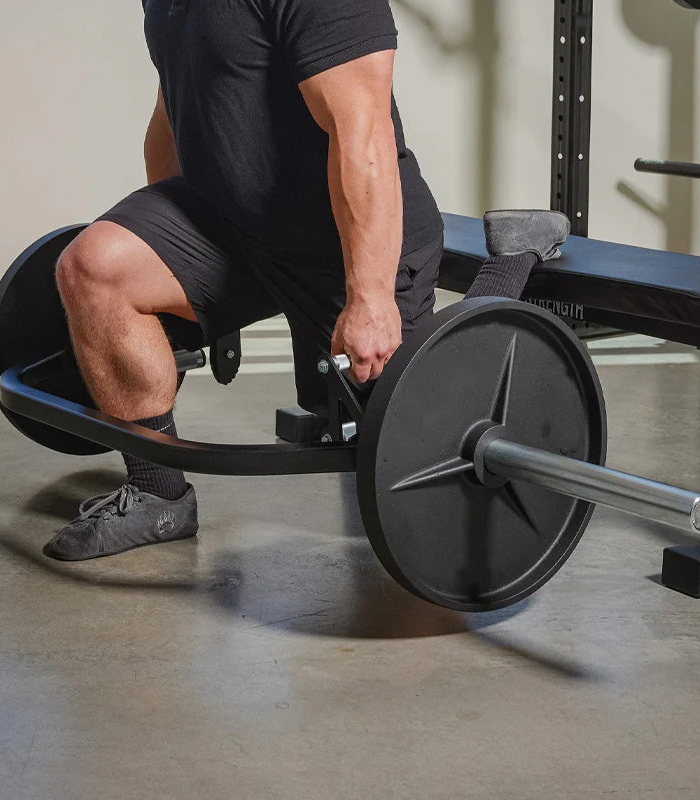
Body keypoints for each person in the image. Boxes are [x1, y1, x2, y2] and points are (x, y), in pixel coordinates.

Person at [43, 0, 569, 562]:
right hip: (234, 232)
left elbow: (361, 132)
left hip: (340, 245)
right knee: (93, 268)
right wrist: (184, 296)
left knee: (415, 438)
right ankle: (158, 494)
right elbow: (176, 110)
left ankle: (512, 259)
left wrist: (369, 299)